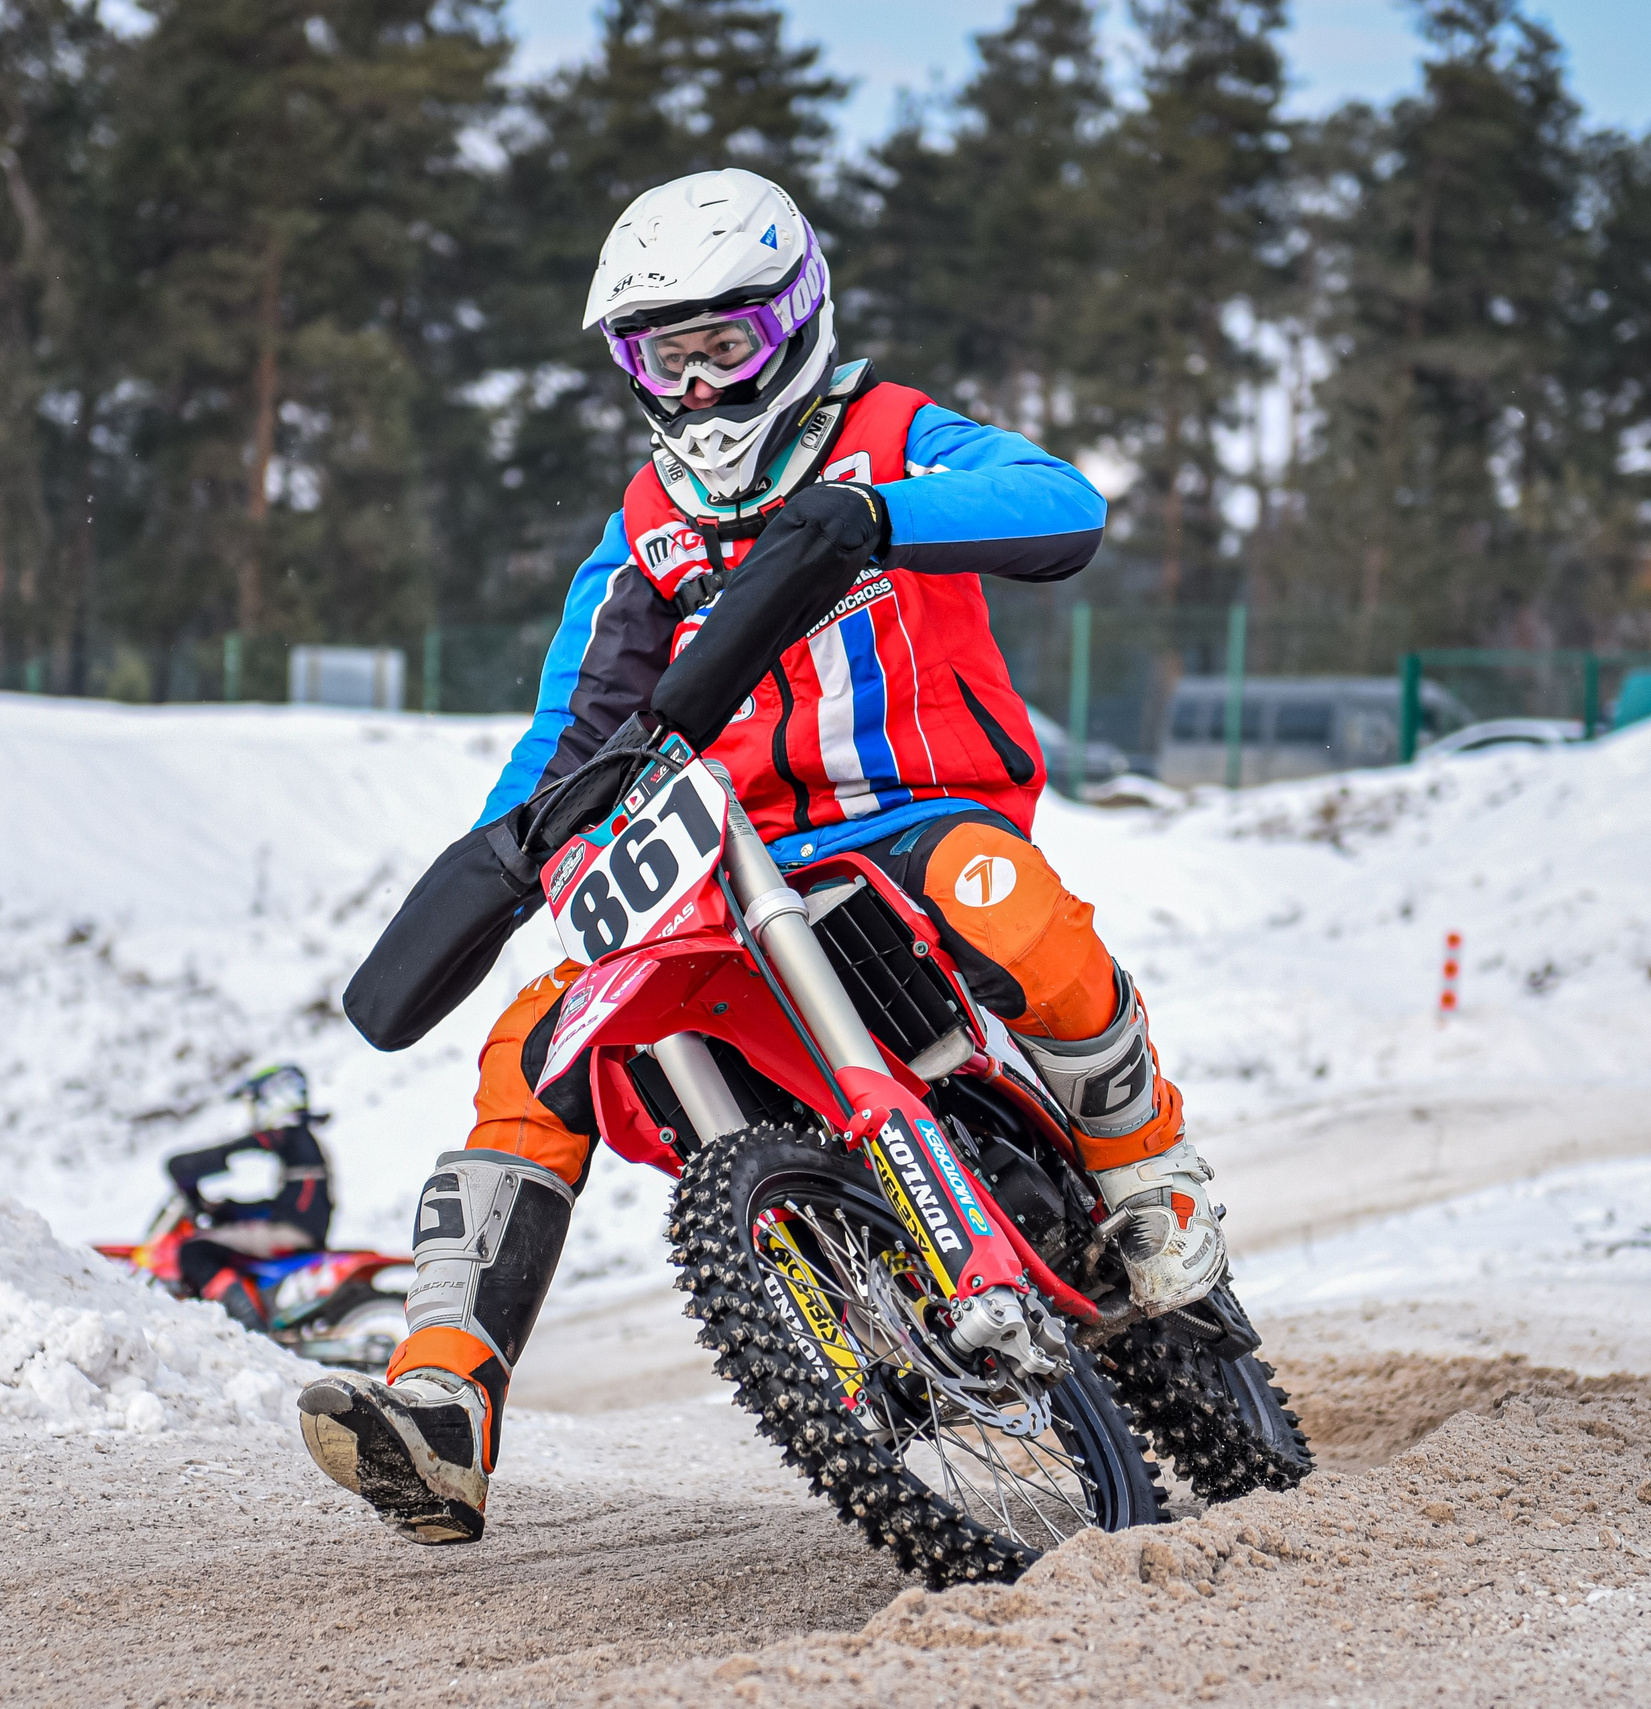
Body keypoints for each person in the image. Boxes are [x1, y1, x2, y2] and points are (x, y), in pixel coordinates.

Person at [298, 169, 1223, 1545]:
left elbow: (1059, 501)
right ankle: (444, 1400)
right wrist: (502, 852)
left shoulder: (890, 431)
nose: (695, 387)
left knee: (1008, 905)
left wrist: (877, 516)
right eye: (660, 359)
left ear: (792, 320)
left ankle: (1148, 1173)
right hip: (728, 857)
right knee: (534, 1047)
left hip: (915, 811)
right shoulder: (645, 525)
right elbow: (569, 724)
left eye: (721, 346)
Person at [162, 1065, 334, 1330]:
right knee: (217, 1237)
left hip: (293, 1232)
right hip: (297, 1228)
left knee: (194, 1249)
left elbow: (247, 1145)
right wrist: (227, 1210)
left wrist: (191, 1164)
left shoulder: (290, 1134)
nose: (255, 1112)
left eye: (258, 1103)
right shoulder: (305, 1143)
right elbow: (287, 1205)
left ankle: (248, 1324)